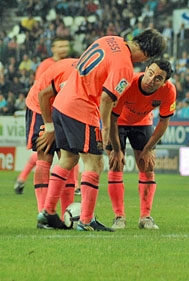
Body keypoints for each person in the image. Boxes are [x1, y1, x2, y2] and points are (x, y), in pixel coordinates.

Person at [36, 28, 166, 231]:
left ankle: (47, 212)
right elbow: (106, 98)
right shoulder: (125, 67)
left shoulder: (109, 40)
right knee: (95, 162)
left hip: (61, 103)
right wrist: (105, 128)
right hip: (81, 106)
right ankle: (86, 221)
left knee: (68, 159)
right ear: (147, 54)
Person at [107, 59, 176, 230]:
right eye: (150, 73)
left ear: (165, 82)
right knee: (116, 165)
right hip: (117, 122)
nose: (152, 79)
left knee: (147, 166)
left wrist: (148, 149)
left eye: (158, 78)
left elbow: (163, 123)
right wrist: (116, 149)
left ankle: (145, 217)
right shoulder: (128, 83)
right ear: (145, 70)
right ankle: (119, 217)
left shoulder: (169, 91)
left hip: (142, 122)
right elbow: (112, 118)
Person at [13, 36, 71, 194]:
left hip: (64, 111)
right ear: (53, 48)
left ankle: (71, 194)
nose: (63, 49)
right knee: (45, 151)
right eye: (60, 46)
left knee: (69, 153)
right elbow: (42, 90)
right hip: (43, 109)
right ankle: (43, 209)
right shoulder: (46, 65)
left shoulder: (72, 63)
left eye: (65, 45)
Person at [26, 58, 78, 224]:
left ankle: (67, 215)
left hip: (65, 110)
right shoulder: (74, 75)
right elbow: (43, 95)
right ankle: (44, 214)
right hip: (41, 106)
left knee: (68, 158)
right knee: (45, 155)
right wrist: (50, 127)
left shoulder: (95, 78)